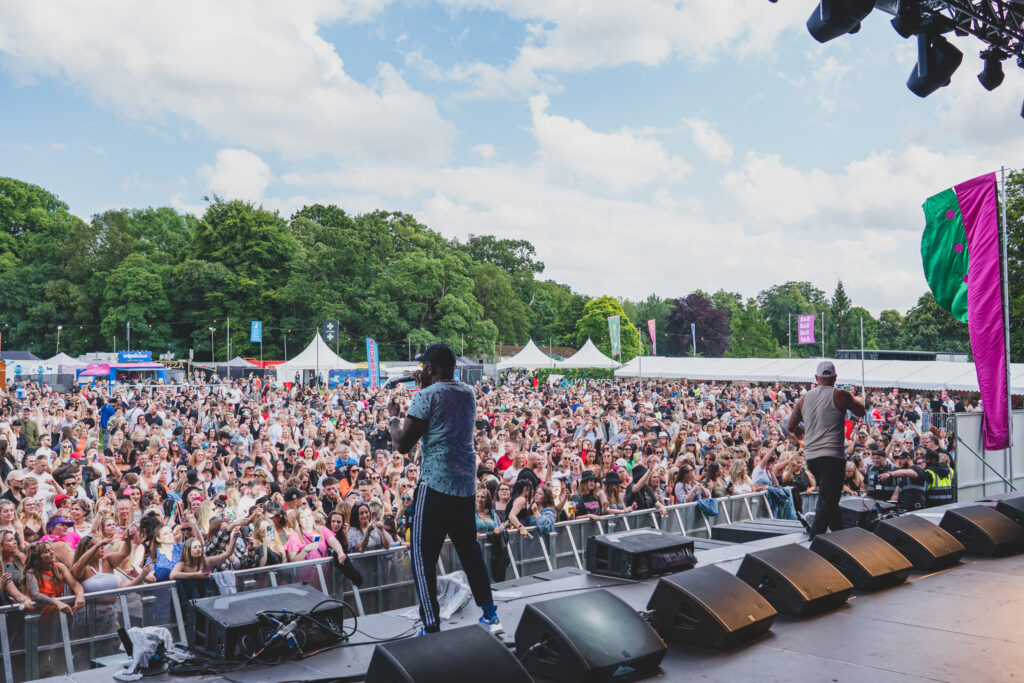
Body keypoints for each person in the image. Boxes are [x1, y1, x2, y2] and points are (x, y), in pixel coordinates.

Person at [388, 343, 500, 635]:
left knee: (422, 557)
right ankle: (489, 613)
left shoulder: (425, 396)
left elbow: (402, 445)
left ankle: (430, 625)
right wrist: (425, 385)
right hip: (463, 485)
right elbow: (443, 407)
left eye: (424, 365)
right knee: (469, 551)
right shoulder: (468, 392)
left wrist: (392, 416)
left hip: (435, 484)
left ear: (428, 368)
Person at [786, 361, 866, 537]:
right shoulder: (841, 395)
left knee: (831, 498)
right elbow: (861, 411)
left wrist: (797, 430)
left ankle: (839, 536)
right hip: (832, 456)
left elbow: (790, 425)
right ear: (835, 377)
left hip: (812, 457)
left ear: (816, 378)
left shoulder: (804, 398)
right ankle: (815, 539)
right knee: (828, 499)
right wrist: (856, 398)